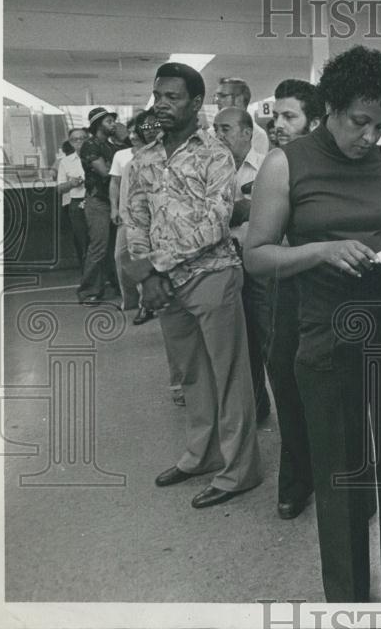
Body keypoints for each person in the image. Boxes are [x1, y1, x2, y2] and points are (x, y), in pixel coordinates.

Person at [246, 46, 381, 602]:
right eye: (360, 122)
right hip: (328, 336)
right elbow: (257, 255)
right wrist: (319, 251)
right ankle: (350, 604)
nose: (370, 135)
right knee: (343, 479)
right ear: (330, 108)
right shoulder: (286, 164)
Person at [124, 61, 261, 509]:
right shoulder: (143, 158)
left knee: (229, 376)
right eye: (158, 96)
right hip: (166, 286)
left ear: (197, 103)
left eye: (172, 97)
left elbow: (215, 222)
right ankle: (200, 455)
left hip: (211, 275)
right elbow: (135, 218)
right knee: (192, 376)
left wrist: (153, 269)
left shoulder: (216, 154)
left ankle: (240, 470)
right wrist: (146, 272)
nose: (161, 105)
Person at [260, 79, 326, 520]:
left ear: (315, 122)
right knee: (286, 384)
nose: (278, 124)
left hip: (328, 292)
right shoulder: (275, 165)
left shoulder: (329, 169)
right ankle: (296, 480)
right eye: (276, 116)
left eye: (290, 117)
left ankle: (342, 482)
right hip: (285, 289)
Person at [213, 106, 271, 424]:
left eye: (225, 129)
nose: (218, 136)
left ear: (247, 132)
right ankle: (255, 407)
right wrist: (243, 207)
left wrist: (247, 208)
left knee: (266, 335)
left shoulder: (267, 168)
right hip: (222, 265)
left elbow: (271, 212)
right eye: (215, 129)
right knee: (238, 342)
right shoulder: (208, 171)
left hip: (257, 264)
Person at [110, 111, 161, 324]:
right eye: (145, 128)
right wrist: (118, 210)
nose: (150, 131)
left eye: (155, 126)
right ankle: (138, 301)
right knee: (124, 256)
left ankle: (148, 302)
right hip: (133, 219)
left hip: (162, 223)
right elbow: (118, 187)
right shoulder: (130, 161)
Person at [77, 106, 120, 305]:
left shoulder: (112, 146)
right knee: (99, 247)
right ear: (97, 125)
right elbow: (106, 172)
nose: (113, 124)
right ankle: (88, 292)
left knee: (114, 248)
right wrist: (117, 169)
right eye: (108, 121)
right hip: (98, 202)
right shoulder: (90, 145)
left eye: (113, 121)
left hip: (112, 201)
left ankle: (115, 284)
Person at [56, 128, 89, 270]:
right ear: (70, 142)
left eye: (83, 138)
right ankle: (87, 275)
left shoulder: (95, 157)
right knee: (82, 240)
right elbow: (60, 188)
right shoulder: (66, 161)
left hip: (97, 202)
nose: (80, 142)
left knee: (99, 241)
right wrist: (72, 183)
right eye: (76, 139)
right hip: (76, 203)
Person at [214, 77, 270, 154]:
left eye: (222, 96)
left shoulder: (257, 136)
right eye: (217, 96)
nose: (216, 101)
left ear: (239, 100)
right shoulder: (211, 133)